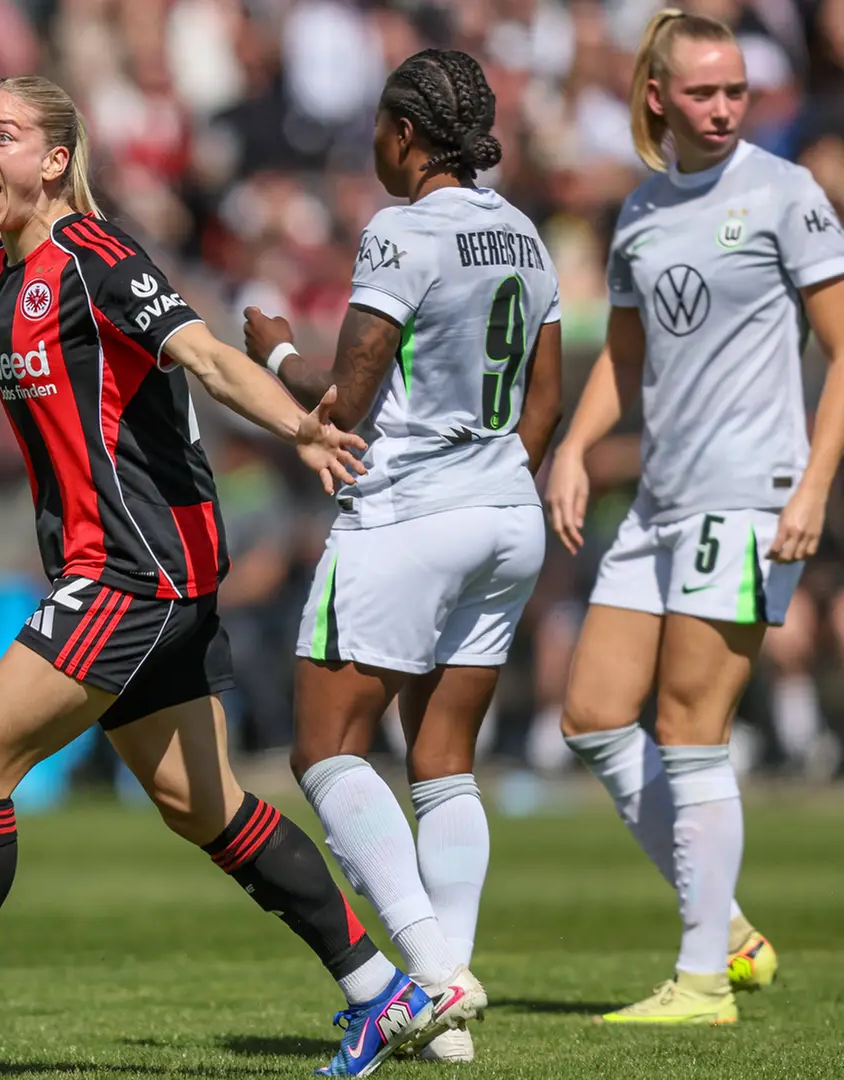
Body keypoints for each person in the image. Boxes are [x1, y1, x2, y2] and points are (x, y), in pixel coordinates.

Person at [0, 75, 435, 1080]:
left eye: (2, 135)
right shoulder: (6, 270)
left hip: (134, 569)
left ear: (55, 160)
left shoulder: (101, 258)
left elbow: (206, 358)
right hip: (144, 571)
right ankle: (383, 993)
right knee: (203, 805)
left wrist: (300, 422)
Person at [243, 49, 565, 1064]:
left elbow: (352, 388)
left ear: (409, 136)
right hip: (505, 515)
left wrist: (274, 353)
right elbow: (545, 400)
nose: (376, 147)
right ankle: (448, 1026)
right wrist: (485, 477)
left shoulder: (402, 227)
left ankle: (432, 976)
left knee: (326, 750)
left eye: (383, 130)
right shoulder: (523, 234)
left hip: (411, 518)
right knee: (443, 759)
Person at [545, 9, 844, 1024]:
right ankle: (729, 929)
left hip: (750, 496)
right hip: (661, 502)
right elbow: (625, 363)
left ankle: (703, 978)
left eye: (737, 92)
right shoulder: (639, 212)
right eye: (705, 92)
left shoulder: (785, 193)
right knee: (591, 713)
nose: (723, 110)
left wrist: (810, 486)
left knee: (689, 728)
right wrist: (576, 448)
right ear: (658, 97)